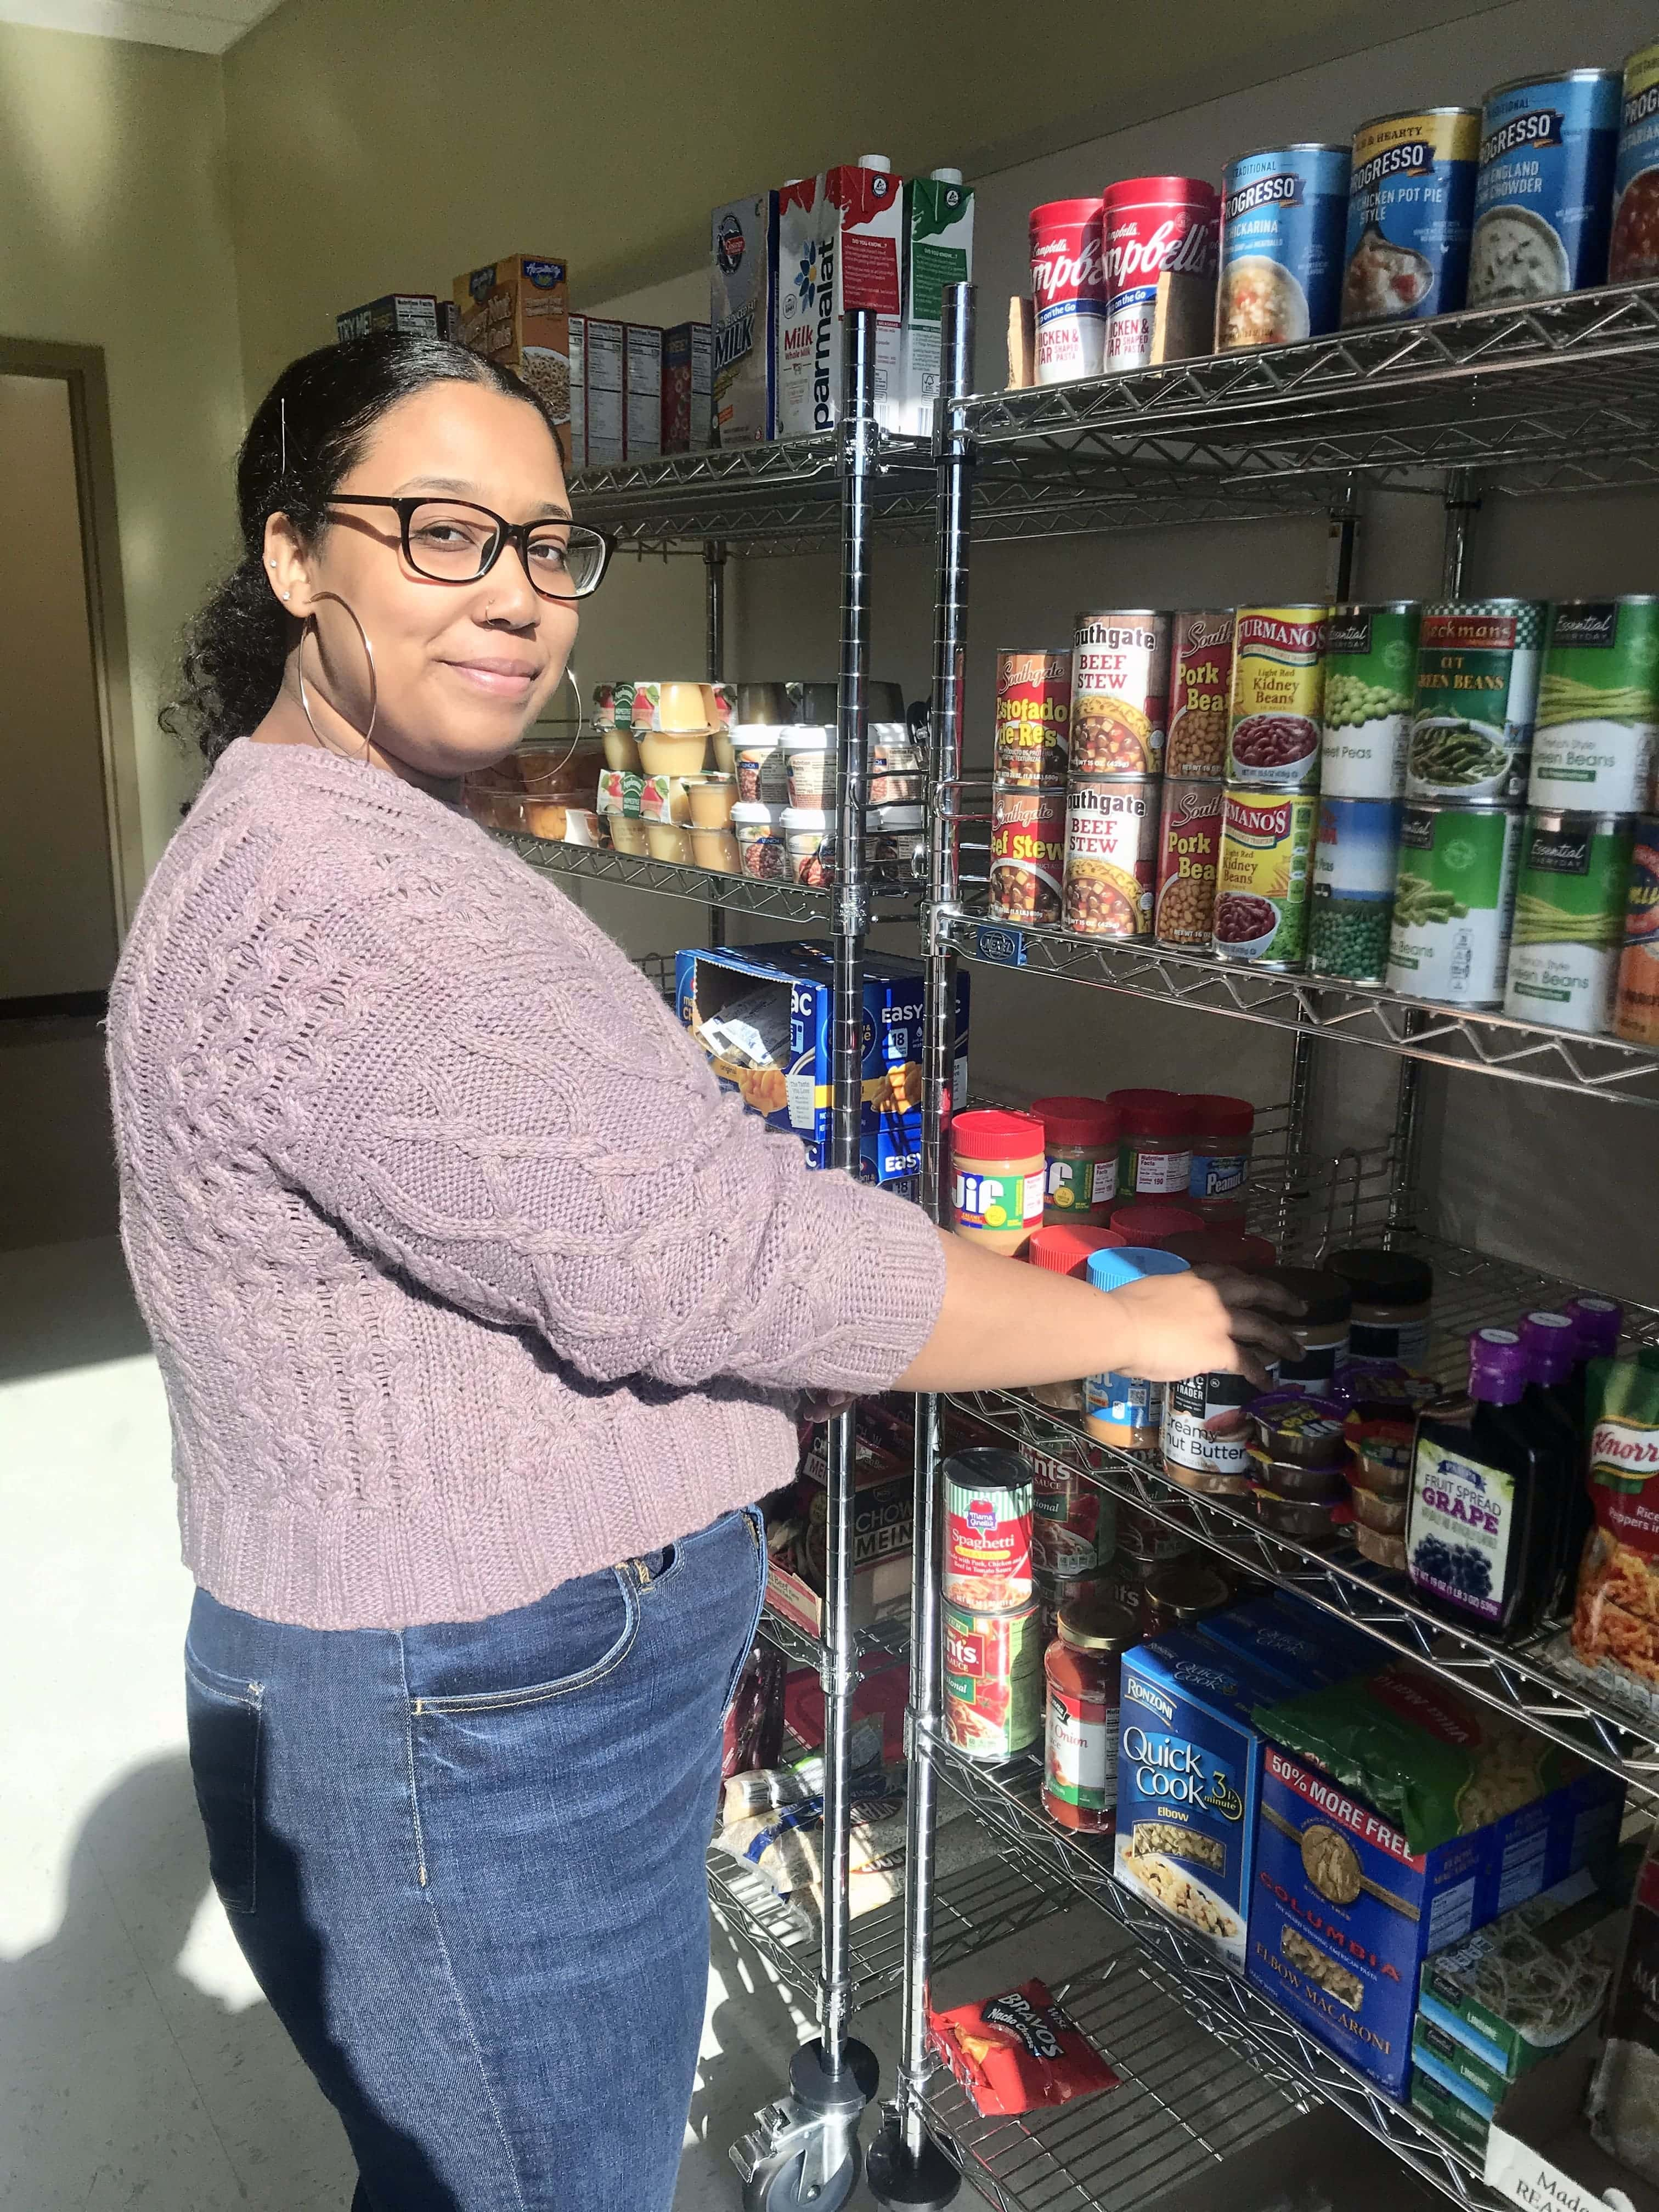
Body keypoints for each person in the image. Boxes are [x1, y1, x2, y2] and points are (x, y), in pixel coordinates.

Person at [105, 333, 1298, 2212]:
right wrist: (1127, 1324)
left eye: (550, 545)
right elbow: (711, 1265)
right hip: (470, 1720)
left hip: (458, 1689)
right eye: (438, 533)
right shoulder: (351, 907)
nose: (514, 597)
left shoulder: (332, 834)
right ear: (290, 559)